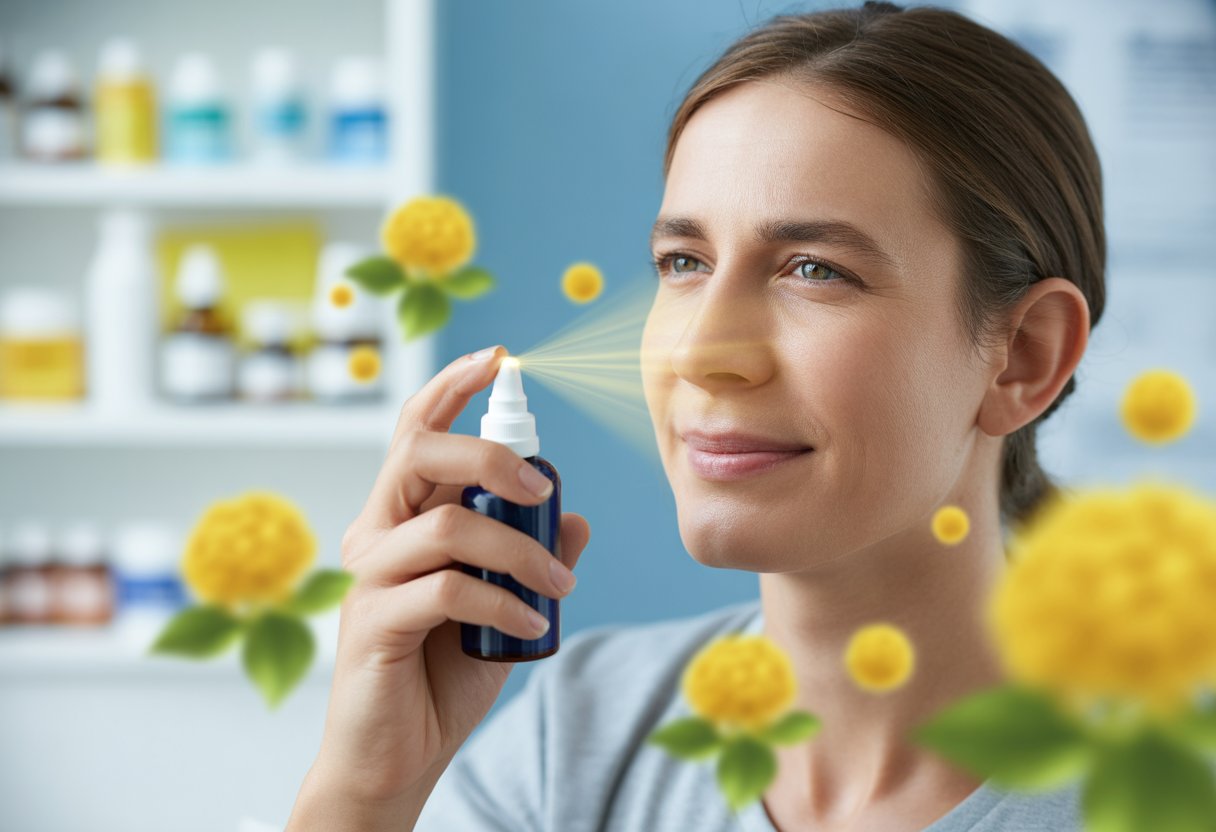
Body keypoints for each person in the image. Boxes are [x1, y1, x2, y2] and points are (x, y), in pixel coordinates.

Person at [285, 2, 1102, 829]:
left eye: (813, 269)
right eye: (684, 262)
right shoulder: (578, 737)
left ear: (1026, 355)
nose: (700, 351)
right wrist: (366, 790)